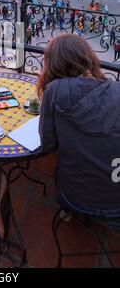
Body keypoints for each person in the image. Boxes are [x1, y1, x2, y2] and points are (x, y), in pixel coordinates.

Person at [38, 34, 120, 221]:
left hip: (75, 198)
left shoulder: (55, 91)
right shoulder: (117, 91)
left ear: (52, 64)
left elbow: (48, 144)